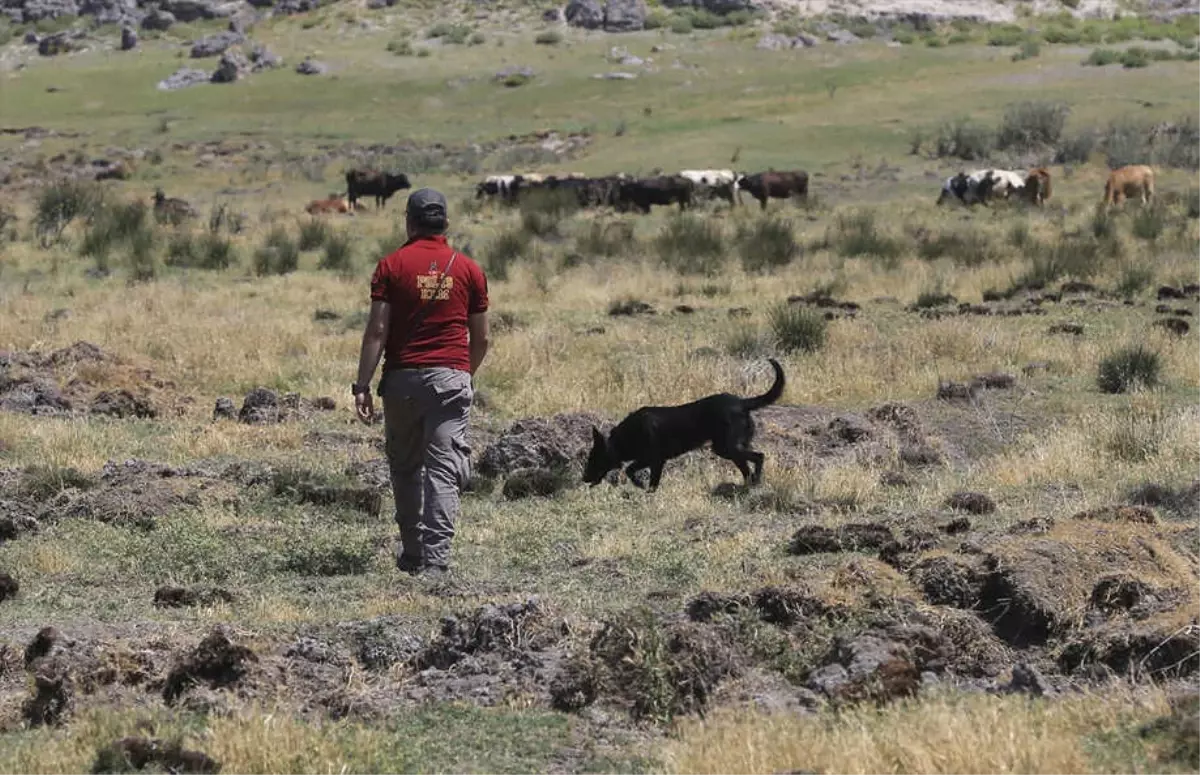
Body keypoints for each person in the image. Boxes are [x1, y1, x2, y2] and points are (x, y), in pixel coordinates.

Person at [352, 188, 490, 577]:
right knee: (444, 470)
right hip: (451, 377)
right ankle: (437, 561)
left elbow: (377, 331)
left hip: (401, 382)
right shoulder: (468, 269)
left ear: (409, 222)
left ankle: (412, 554)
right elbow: (481, 339)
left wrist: (362, 384)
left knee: (406, 468)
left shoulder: (391, 266)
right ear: (444, 222)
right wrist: (462, 373)